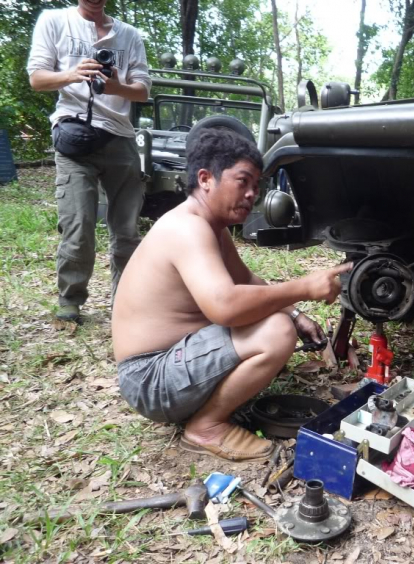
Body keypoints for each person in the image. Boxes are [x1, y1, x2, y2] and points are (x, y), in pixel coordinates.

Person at [112, 128, 351, 461]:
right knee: (274, 332)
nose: (252, 193)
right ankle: (206, 426)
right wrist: (305, 288)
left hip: (170, 365)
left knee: (280, 321)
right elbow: (224, 306)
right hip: (151, 379)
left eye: (257, 185)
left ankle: (206, 407)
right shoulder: (187, 228)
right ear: (206, 178)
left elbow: (246, 280)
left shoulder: (211, 226)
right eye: (243, 181)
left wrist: (295, 313)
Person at [27, 0, 152, 322]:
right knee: (79, 225)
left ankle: (125, 304)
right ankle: (70, 300)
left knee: (126, 231)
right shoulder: (54, 21)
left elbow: (142, 91)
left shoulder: (129, 34)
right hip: (74, 136)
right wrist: (72, 75)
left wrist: (114, 86)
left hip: (120, 137)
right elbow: (37, 79)